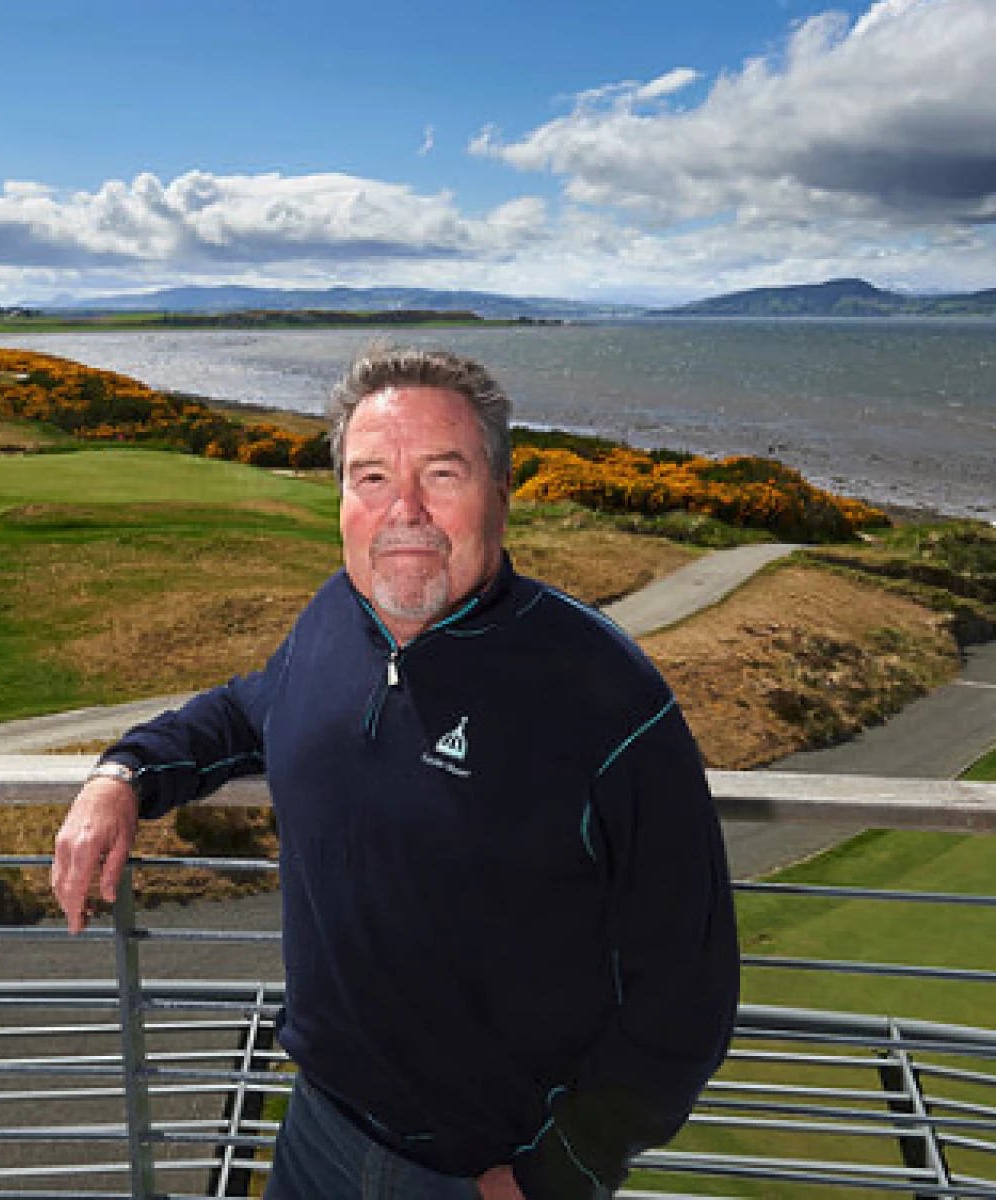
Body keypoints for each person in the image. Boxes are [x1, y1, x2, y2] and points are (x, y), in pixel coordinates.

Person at [52, 346, 740, 1199]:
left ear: (500, 490)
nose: (402, 511)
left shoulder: (608, 697)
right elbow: (247, 711)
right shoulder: (335, 621)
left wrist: (560, 1171)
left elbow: (689, 989)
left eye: (441, 474)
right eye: (371, 477)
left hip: (490, 1173)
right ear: (341, 498)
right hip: (317, 1132)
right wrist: (121, 776)